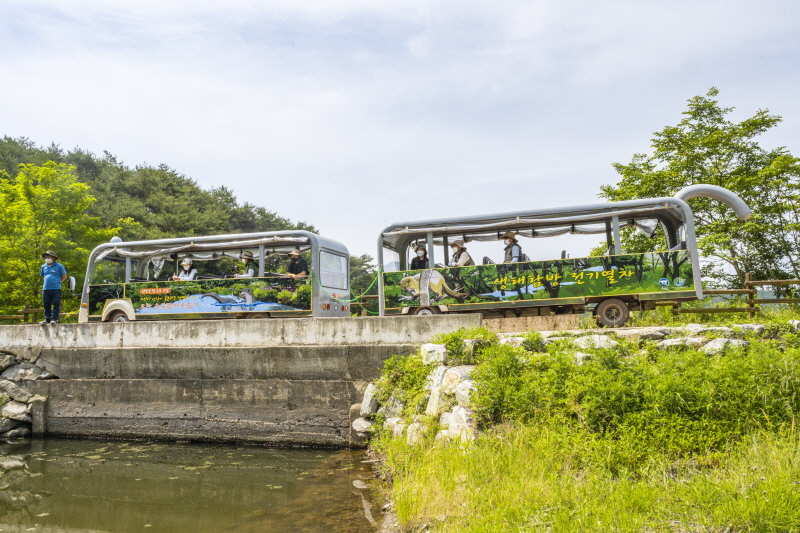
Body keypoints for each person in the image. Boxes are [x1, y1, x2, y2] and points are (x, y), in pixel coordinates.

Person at [39, 250, 66, 324]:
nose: (47, 258)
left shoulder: (59, 266)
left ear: (53, 258)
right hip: (46, 288)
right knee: (46, 304)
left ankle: (54, 318)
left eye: (48, 257)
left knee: (56, 303)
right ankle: (47, 319)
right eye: (45, 257)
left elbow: (64, 276)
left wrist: (58, 282)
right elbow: (43, 276)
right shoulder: (43, 266)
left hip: (56, 288)